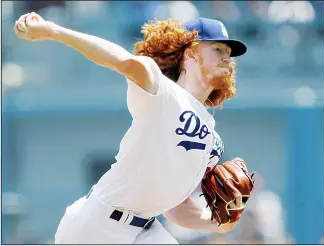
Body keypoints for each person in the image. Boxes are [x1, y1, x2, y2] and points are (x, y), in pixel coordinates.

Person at [14, 13, 248, 244]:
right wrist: (54, 31)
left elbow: (174, 207)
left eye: (229, 53)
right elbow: (122, 61)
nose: (227, 57)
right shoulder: (162, 92)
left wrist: (218, 224)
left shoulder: (212, 138)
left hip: (145, 227)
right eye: (218, 49)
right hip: (97, 226)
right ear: (191, 53)